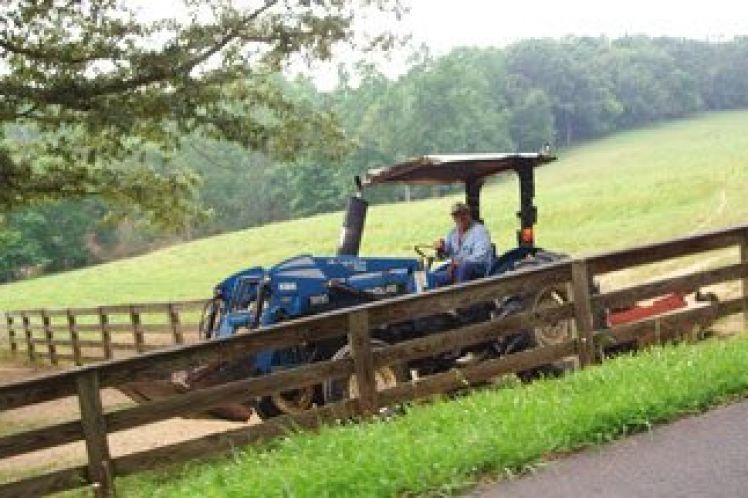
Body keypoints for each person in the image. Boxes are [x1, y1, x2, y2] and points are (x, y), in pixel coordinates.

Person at [432, 202, 493, 286]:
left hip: (479, 269)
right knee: (433, 275)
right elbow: (445, 253)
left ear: (469, 214)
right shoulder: (453, 233)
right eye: (456, 215)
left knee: (465, 267)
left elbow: (480, 256)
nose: (460, 218)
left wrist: (458, 263)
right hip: (457, 268)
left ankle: (459, 295)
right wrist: (441, 248)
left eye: (463, 214)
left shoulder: (480, 231)